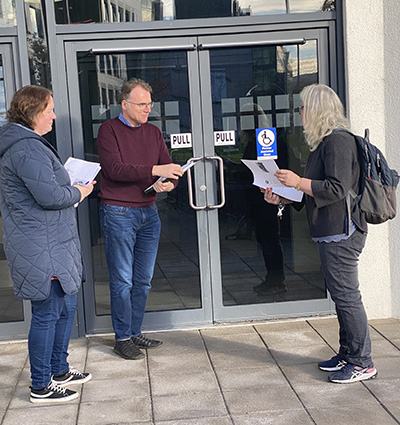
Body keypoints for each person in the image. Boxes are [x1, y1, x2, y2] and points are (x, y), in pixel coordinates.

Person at [263, 83, 377, 383]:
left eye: (302, 108)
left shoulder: (338, 142)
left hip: (342, 231)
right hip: (331, 231)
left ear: (316, 110)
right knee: (342, 296)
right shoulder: (325, 143)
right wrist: (284, 196)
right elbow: (314, 192)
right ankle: (348, 354)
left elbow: (337, 188)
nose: (299, 113)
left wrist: (298, 181)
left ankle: (362, 361)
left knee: (347, 296)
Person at [0, 85, 95, 403]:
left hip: (52, 241)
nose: (54, 115)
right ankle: (40, 385)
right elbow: (51, 196)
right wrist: (79, 191)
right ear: (32, 112)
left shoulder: (29, 145)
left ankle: (59, 369)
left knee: (66, 306)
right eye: (50, 109)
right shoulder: (25, 148)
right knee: (47, 311)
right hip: (40, 244)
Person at [97, 78, 183, 360]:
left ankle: (134, 331)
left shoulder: (154, 132)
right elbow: (115, 170)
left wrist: (167, 183)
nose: (148, 109)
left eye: (149, 104)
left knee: (143, 280)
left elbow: (165, 169)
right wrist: (157, 169)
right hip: (119, 212)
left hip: (149, 212)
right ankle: (122, 338)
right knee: (122, 279)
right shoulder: (109, 130)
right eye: (142, 104)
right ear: (125, 104)